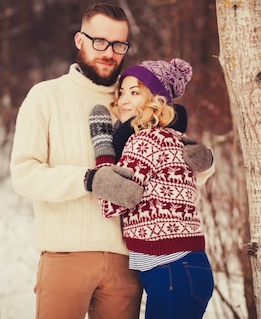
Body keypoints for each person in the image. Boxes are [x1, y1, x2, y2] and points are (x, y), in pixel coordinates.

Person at [10, 3, 213, 319]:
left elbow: (169, 170)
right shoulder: (46, 96)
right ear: (79, 40)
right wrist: (88, 179)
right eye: (99, 41)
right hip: (66, 256)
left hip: (127, 263)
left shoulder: (133, 100)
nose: (109, 52)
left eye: (119, 44)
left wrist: (201, 161)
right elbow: (24, 174)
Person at [84, 59, 215, 319]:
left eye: (135, 92)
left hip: (171, 269)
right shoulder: (173, 137)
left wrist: (101, 162)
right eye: (121, 92)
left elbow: (112, 204)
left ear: (156, 99)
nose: (123, 100)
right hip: (183, 268)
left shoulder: (142, 140)